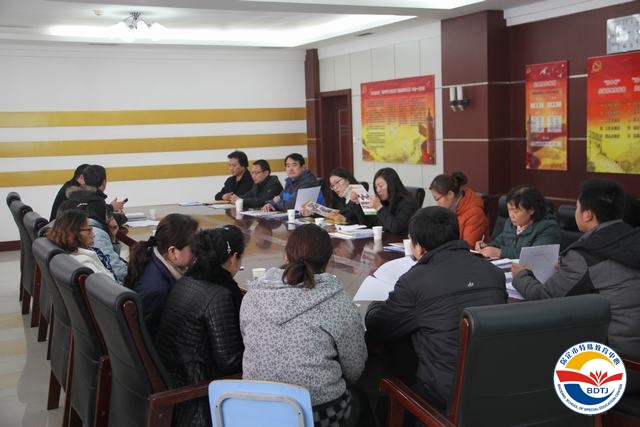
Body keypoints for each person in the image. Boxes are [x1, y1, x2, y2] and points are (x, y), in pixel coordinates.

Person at [365, 207, 506, 413]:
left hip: (443, 400)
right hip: (493, 387)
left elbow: (380, 328)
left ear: (419, 247)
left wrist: (374, 306)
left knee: (388, 360)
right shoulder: (494, 273)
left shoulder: (415, 281)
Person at [512, 179, 640, 391]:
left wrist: (522, 276)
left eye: (578, 206)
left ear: (587, 214)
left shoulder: (586, 254)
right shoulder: (631, 238)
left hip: (622, 367)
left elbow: (544, 298)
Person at [240, 224, 369, 426]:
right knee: (363, 399)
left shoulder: (253, 294)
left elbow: (246, 339)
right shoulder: (338, 300)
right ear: (329, 261)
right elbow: (354, 369)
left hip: (256, 411)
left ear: (285, 256)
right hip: (318, 413)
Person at [155, 226, 245, 427]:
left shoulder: (187, 280)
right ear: (233, 258)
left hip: (176, 381)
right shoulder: (218, 295)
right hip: (198, 398)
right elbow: (230, 363)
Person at [124, 213, 198, 336]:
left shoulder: (151, 256)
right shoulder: (158, 291)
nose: (198, 251)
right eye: (194, 247)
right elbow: (150, 338)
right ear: (172, 252)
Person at [475, 185, 559, 259]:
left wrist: (500, 252)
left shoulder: (548, 228)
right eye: (509, 210)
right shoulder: (510, 223)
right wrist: (486, 246)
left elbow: (534, 257)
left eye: (516, 211)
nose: (511, 215)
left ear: (531, 210)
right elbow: (499, 242)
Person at [73, 192, 128, 283]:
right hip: (116, 287)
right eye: (106, 213)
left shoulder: (89, 228)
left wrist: (113, 237)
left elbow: (111, 259)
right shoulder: (97, 233)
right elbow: (118, 271)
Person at [46, 209, 117, 279]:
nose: (93, 235)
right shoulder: (85, 263)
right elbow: (109, 284)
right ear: (72, 233)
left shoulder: (69, 255)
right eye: (89, 230)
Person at [429, 171, 488, 248]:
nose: (437, 204)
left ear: (450, 194)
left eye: (437, 199)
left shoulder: (475, 213)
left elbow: (468, 246)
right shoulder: (448, 209)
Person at [359, 168, 418, 235]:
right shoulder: (384, 201)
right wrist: (359, 204)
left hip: (402, 240)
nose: (378, 190)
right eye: (376, 187)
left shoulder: (408, 203)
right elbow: (369, 224)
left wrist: (379, 208)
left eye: (380, 186)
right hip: (386, 239)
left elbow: (396, 228)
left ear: (391, 185)